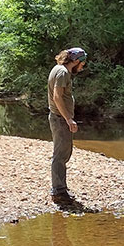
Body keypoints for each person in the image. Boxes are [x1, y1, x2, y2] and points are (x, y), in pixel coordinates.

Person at [48, 47, 87, 205]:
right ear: (76, 61)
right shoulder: (63, 72)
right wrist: (68, 119)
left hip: (58, 118)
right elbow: (57, 97)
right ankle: (59, 192)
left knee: (63, 153)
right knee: (60, 155)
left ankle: (60, 188)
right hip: (60, 119)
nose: (83, 67)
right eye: (83, 63)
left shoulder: (58, 69)